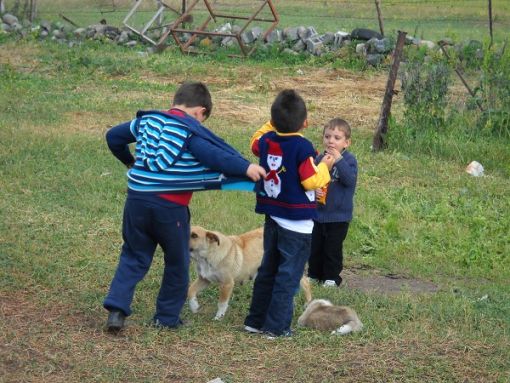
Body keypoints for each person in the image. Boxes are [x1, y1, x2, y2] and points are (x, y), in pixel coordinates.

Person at [103, 81, 266, 332]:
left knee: (133, 255)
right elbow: (214, 156)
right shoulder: (189, 130)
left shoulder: (148, 122)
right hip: (170, 208)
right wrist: (245, 168)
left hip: (135, 202)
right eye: (202, 120)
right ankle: (166, 318)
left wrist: (130, 161)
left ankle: (116, 310)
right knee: (177, 261)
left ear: (175, 101)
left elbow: (113, 137)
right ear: (200, 111)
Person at [243, 89, 334, 338]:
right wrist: (326, 166)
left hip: (272, 218)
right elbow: (310, 181)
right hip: (297, 225)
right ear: (305, 122)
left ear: (273, 120)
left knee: (268, 269)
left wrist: (271, 123)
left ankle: (255, 320)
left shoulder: (266, 141)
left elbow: (255, 139)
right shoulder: (303, 146)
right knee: (288, 276)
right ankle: (276, 326)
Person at [308, 118, 358, 287]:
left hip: (338, 216)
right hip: (318, 214)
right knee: (315, 247)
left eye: (337, 138)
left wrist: (338, 160)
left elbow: (349, 181)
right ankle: (314, 274)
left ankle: (331, 277)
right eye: (328, 136)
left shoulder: (349, 160)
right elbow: (311, 179)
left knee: (332, 249)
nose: (331, 141)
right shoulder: (319, 158)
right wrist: (314, 190)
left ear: (347, 143)